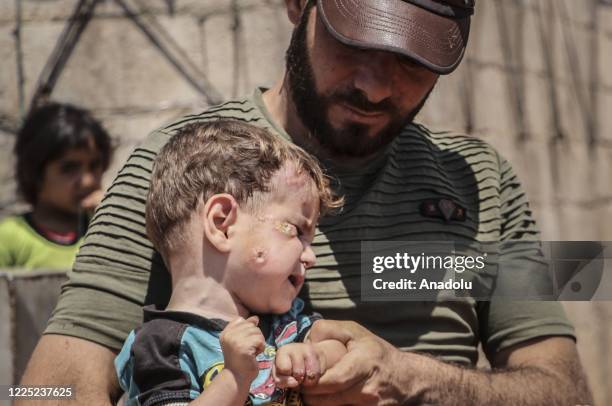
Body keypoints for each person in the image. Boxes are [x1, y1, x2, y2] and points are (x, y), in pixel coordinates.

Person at [20, 1, 592, 405]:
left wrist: (410, 378)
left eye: (412, 61)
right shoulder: (176, 166)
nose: (374, 86)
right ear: (299, 4)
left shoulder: (482, 181)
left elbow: (567, 392)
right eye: (355, 41)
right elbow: (44, 389)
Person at [114, 119, 345, 405]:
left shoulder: (283, 326)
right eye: (297, 230)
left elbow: (340, 347)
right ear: (222, 224)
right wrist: (235, 377)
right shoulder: (161, 346)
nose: (311, 257)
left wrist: (316, 357)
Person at [0, 102, 112, 270]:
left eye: (94, 165)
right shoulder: (10, 238)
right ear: (36, 174)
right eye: (70, 168)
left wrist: (112, 217)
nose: (88, 180)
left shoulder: (104, 230)